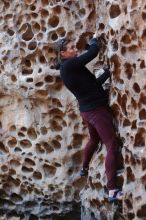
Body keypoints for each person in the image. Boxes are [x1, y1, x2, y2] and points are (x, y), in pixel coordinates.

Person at [54, 32, 123, 202]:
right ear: (63, 54)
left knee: (94, 140)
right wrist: (94, 41)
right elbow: (92, 53)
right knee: (112, 145)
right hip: (96, 111)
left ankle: (84, 168)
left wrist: (107, 74)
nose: (75, 49)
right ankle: (112, 190)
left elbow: (91, 85)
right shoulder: (68, 66)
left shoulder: (69, 68)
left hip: (87, 110)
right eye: (71, 48)